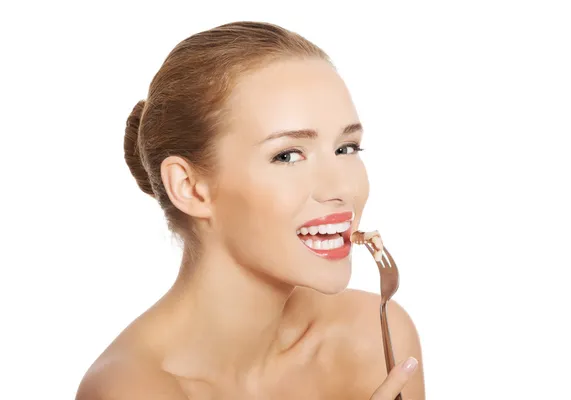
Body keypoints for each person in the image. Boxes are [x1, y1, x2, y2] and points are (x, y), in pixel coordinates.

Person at [75, 21, 426, 399]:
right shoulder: (133, 389)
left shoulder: (371, 339)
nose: (342, 188)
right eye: (287, 155)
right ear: (190, 187)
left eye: (347, 148)